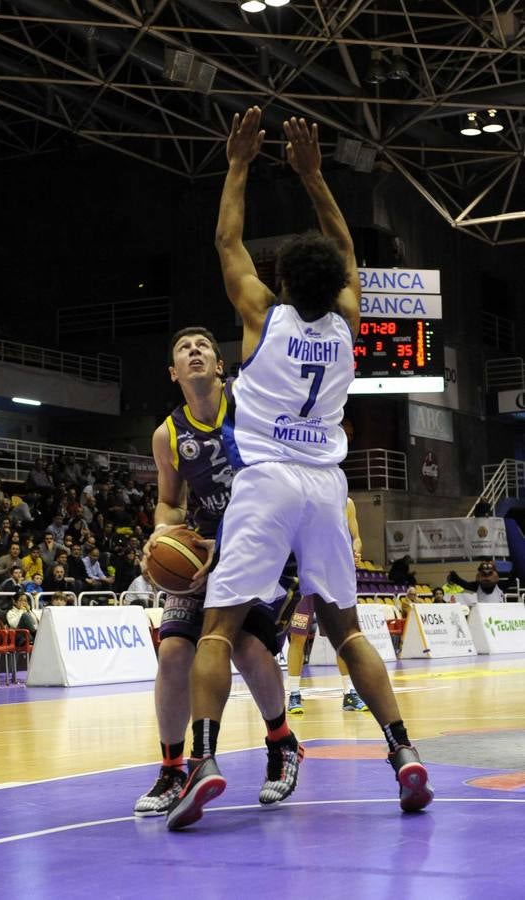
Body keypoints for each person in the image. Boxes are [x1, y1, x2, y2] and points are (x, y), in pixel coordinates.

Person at [166, 107, 433, 831]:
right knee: (347, 630)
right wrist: (317, 178)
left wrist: (239, 164)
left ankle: (208, 761)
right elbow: (346, 251)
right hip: (326, 486)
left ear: (280, 280)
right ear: (337, 283)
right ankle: (403, 752)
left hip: (265, 483)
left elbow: (226, 239)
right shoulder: (347, 323)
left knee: (217, 630)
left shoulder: (261, 316)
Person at [133, 326, 301, 818]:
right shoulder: (167, 434)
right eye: (183, 348)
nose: (194, 352)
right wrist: (161, 536)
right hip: (203, 555)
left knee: (247, 648)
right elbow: (168, 502)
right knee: (173, 654)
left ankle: (282, 743)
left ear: (219, 365)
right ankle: (172, 768)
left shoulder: (251, 411)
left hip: (264, 549)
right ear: (174, 372)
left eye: (203, 346)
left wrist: (228, 542)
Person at [287, 496, 368, 714]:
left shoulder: (347, 503)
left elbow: (356, 537)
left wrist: (356, 551)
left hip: (333, 579)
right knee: (298, 636)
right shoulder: (303, 500)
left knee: (341, 638)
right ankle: (294, 694)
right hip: (306, 577)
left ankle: (349, 693)